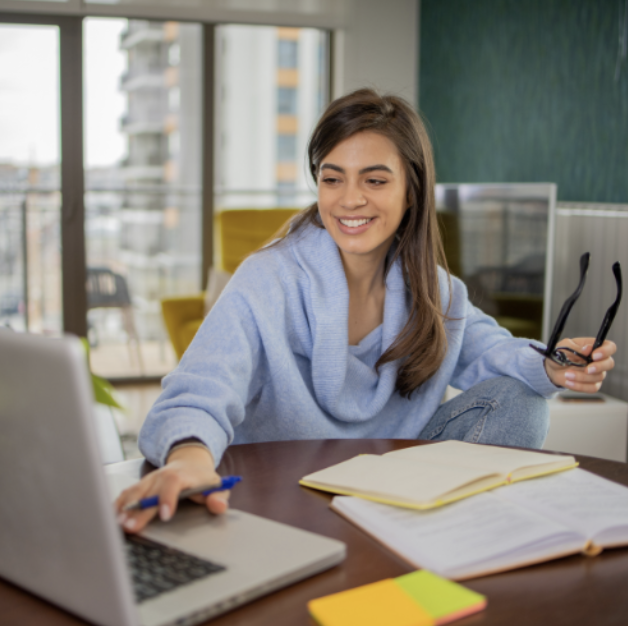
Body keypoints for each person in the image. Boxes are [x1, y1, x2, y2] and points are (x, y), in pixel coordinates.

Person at [116, 88, 616, 532]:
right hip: (284, 493)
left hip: (398, 493)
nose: (349, 200)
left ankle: (455, 536)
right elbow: (200, 388)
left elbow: (493, 354)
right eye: (333, 179)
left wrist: (553, 365)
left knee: (520, 402)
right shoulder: (269, 278)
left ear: (410, 191)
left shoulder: (434, 290)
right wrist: (188, 460)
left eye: (375, 181)